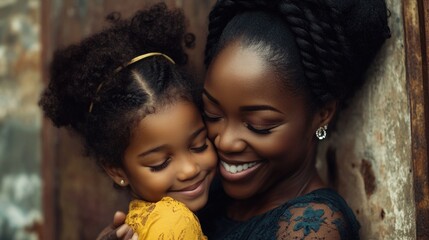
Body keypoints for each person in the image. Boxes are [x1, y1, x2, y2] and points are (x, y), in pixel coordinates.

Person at [99, 0, 391, 239]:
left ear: (322, 114)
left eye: (258, 125)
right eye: (212, 114)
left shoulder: (312, 227)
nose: (224, 140)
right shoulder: (204, 195)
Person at [39, 3, 217, 240]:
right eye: (160, 163)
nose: (190, 169)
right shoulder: (174, 225)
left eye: (199, 145)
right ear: (116, 170)